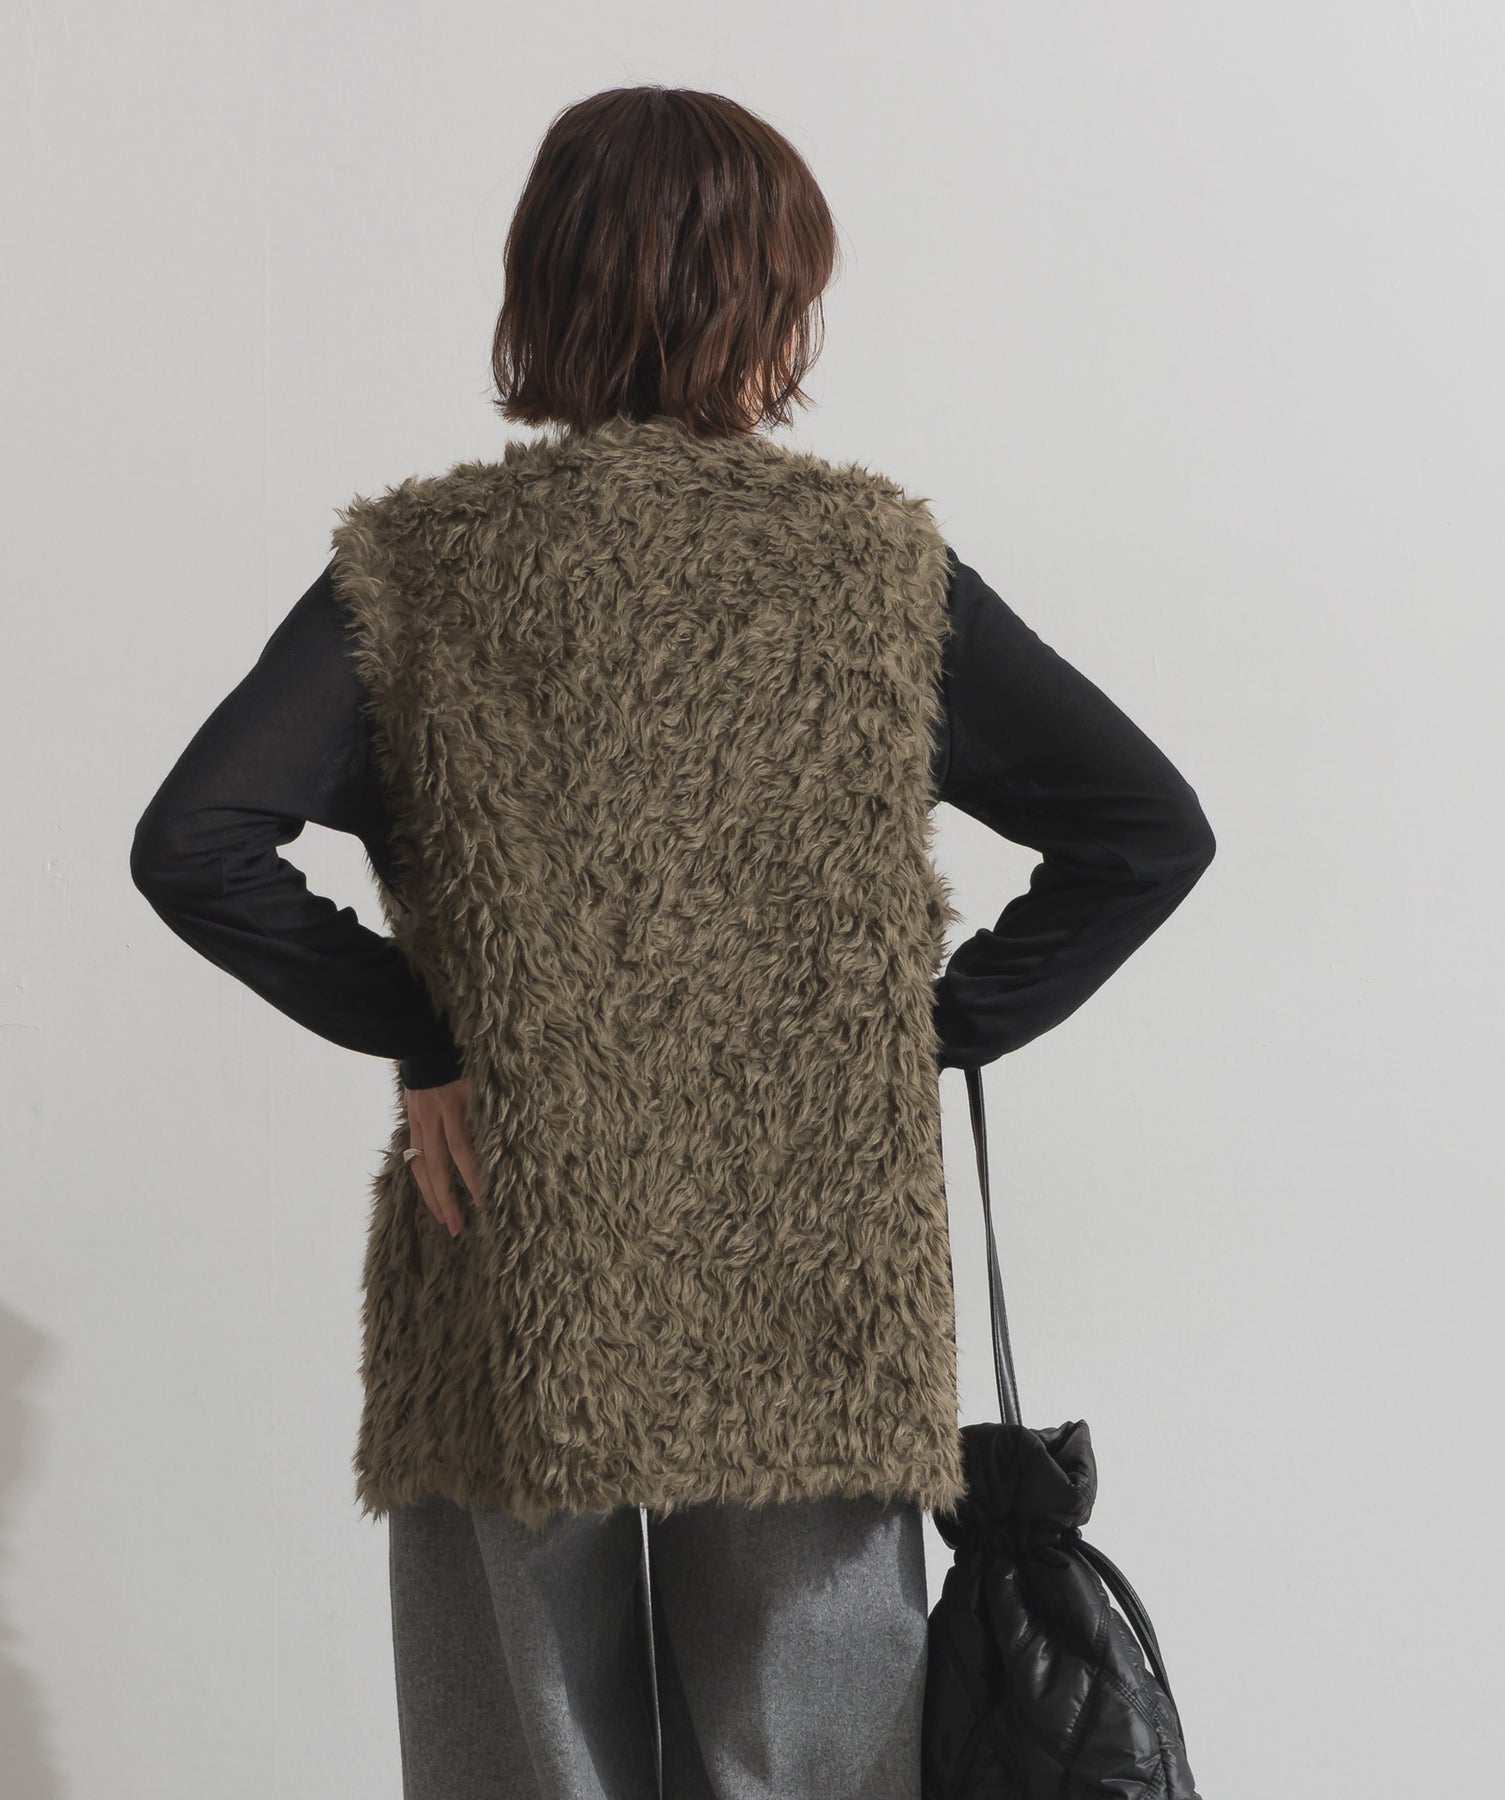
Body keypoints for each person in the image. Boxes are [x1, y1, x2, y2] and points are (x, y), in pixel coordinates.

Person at [130, 84, 1214, 1800]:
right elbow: (1144, 829)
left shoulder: (418, 568)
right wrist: (912, 1033)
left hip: (512, 1233)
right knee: (813, 1758)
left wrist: (431, 1034)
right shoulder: (870, 566)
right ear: (769, 298)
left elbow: (194, 843)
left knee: (526, 1759)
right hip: (812, 1249)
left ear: (541, 284)